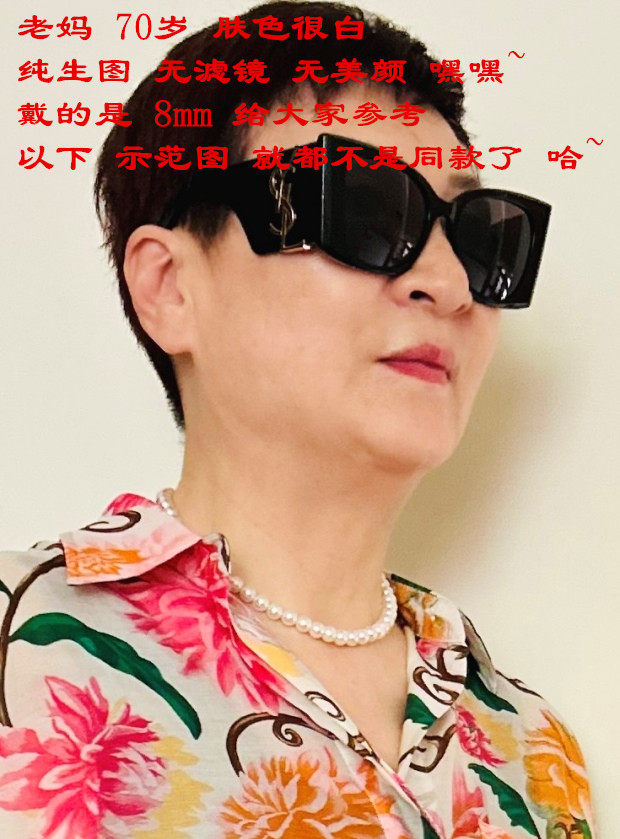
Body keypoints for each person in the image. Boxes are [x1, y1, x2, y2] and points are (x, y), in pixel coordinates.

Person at [0, 2, 597, 837]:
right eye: (363, 208)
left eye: (478, 237)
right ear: (170, 287)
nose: (450, 284)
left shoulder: (534, 751)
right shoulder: (21, 644)